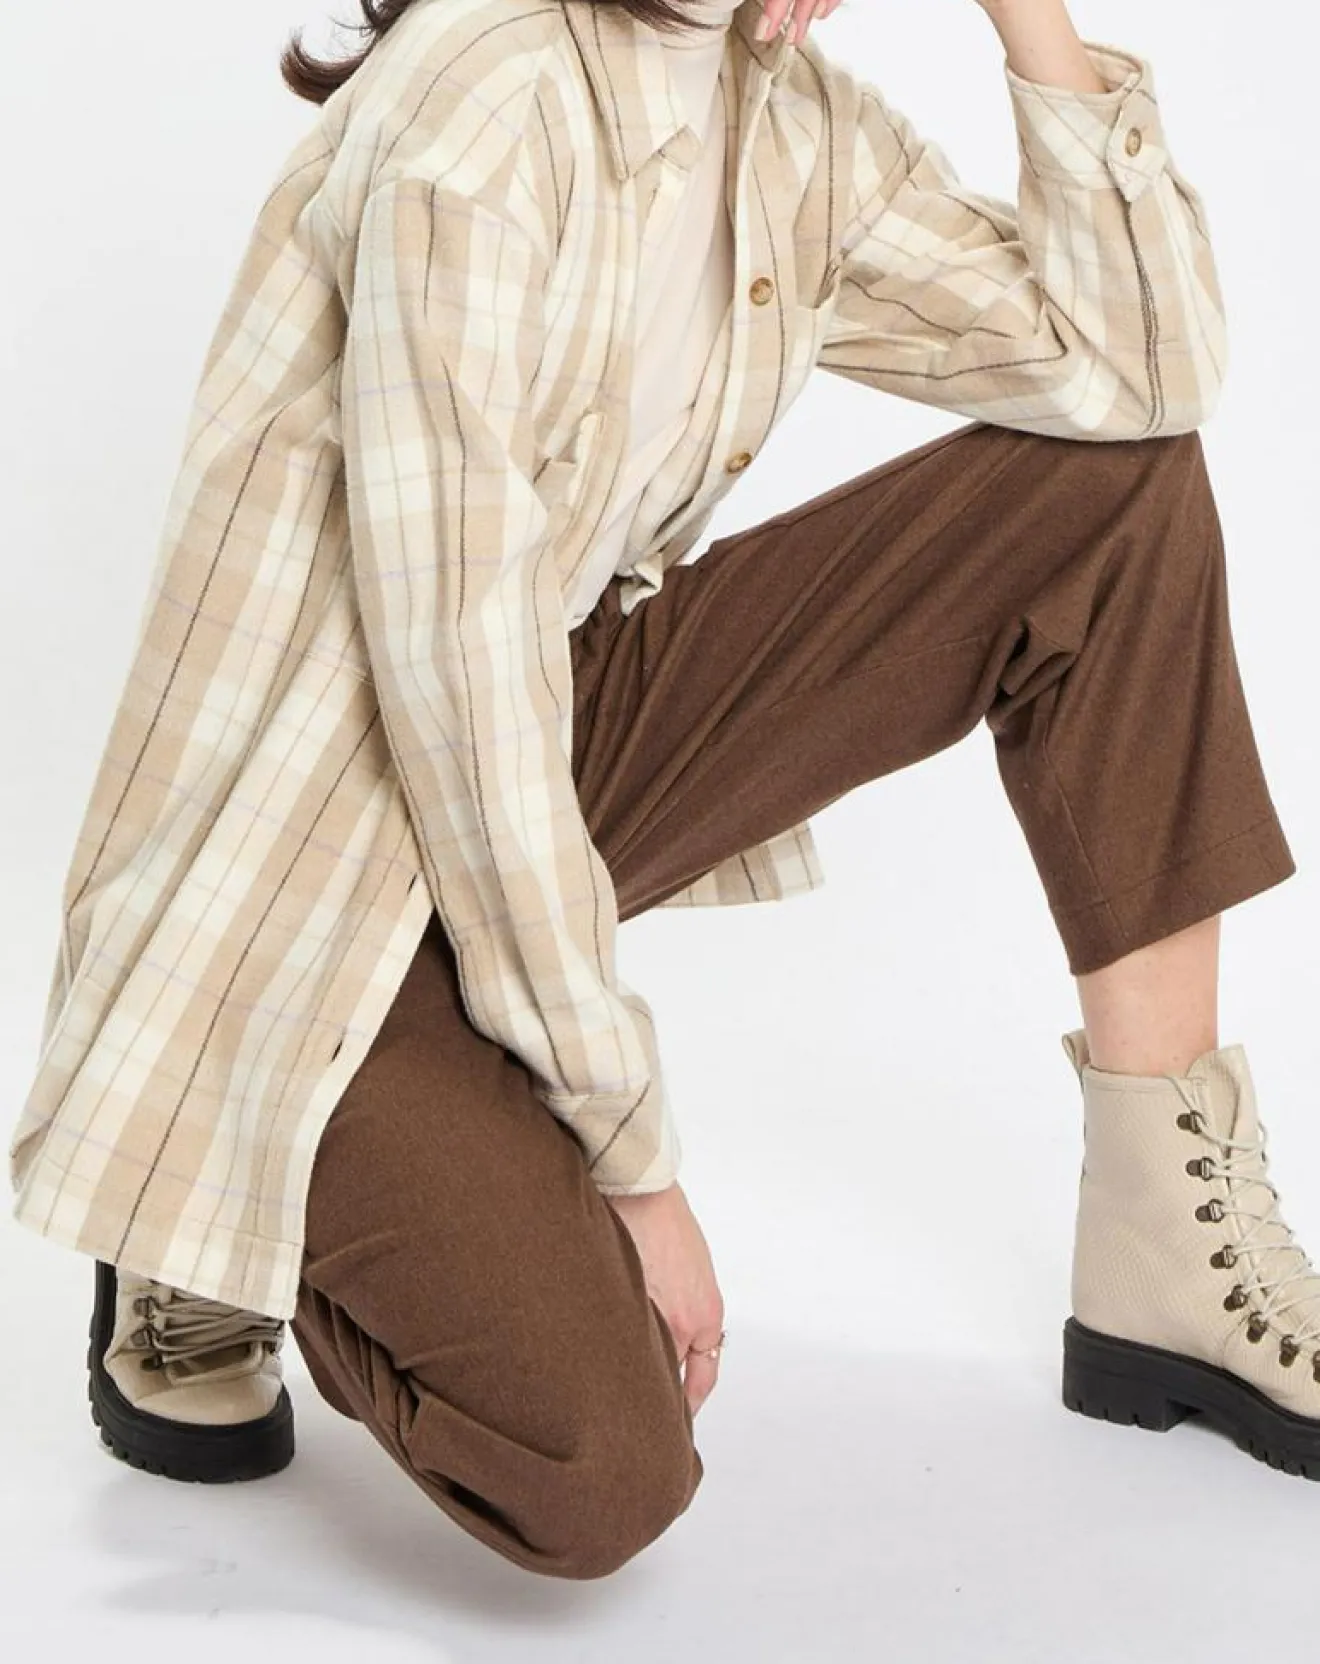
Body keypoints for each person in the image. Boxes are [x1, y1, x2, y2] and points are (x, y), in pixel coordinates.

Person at [9, 0, 1316, 1581]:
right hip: (286, 894)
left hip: (534, 750)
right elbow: (458, 699)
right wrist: (634, 1161)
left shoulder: (788, 119)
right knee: (603, 1473)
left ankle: (1166, 1240)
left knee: (1115, 501)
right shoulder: (476, 114)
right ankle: (207, 1185)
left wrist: (1019, 9)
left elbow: (1144, 372)